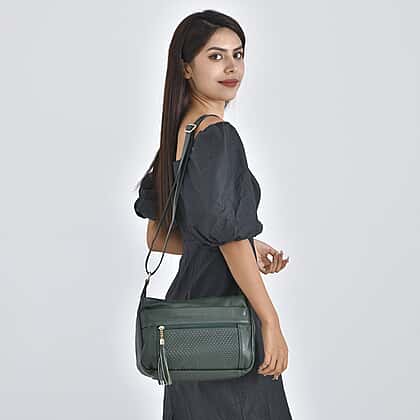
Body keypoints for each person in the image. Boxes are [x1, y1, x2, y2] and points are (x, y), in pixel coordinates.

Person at [134, 9, 293, 420]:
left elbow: (160, 236)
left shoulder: (179, 136)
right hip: (227, 318)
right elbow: (226, 237)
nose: (232, 67)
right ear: (186, 67)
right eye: (215, 56)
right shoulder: (218, 136)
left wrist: (248, 244)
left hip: (187, 319)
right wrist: (270, 320)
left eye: (238, 54)